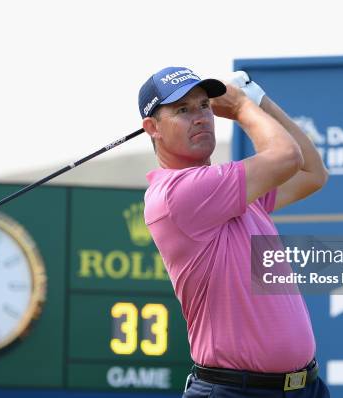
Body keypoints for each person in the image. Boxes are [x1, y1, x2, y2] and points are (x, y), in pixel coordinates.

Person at [139, 66, 329, 397]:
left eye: (203, 106)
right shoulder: (177, 193)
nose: (199, 117)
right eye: (183, 110)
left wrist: (258, 99)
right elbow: (286, 157)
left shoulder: (233, 191)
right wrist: (243, 108)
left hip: (305, 388)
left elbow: (312, 172)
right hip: (234, 391)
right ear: (152, 127)